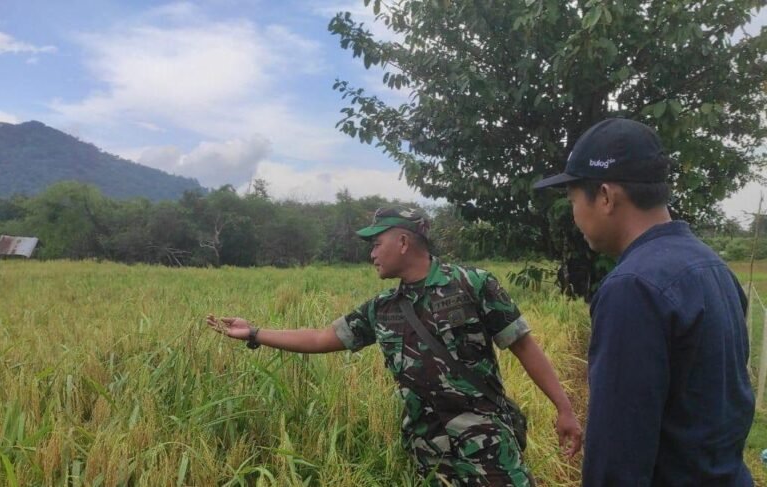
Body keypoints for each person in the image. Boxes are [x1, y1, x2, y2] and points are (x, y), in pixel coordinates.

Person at [207, 207, 582, 486]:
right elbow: (321, 338)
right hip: (428, 447)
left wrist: (564, 409)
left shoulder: (473, 285)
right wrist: (254, 332)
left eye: (376, 243)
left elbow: (523, 346)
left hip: (487, 443)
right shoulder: (382, 309)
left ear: (403, 242)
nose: (371, 253)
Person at [533, 118, 755, 486]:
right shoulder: (710, 264)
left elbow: (618, 454)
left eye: (573, 199)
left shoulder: (632, 288)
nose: (574, 215)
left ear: (605, 196)